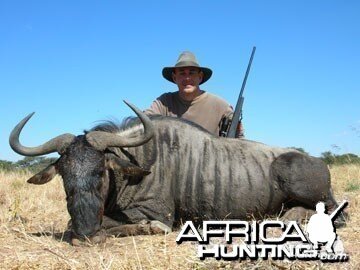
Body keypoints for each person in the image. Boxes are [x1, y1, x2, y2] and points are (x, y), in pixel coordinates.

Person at [145, 51, 244, 137]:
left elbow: (240, 140)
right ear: (174, 78)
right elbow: (144, 121)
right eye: (182, 73)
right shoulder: (164, 102)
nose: (187, 78)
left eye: (191, 73)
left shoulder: (222, 107)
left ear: (200, 77)